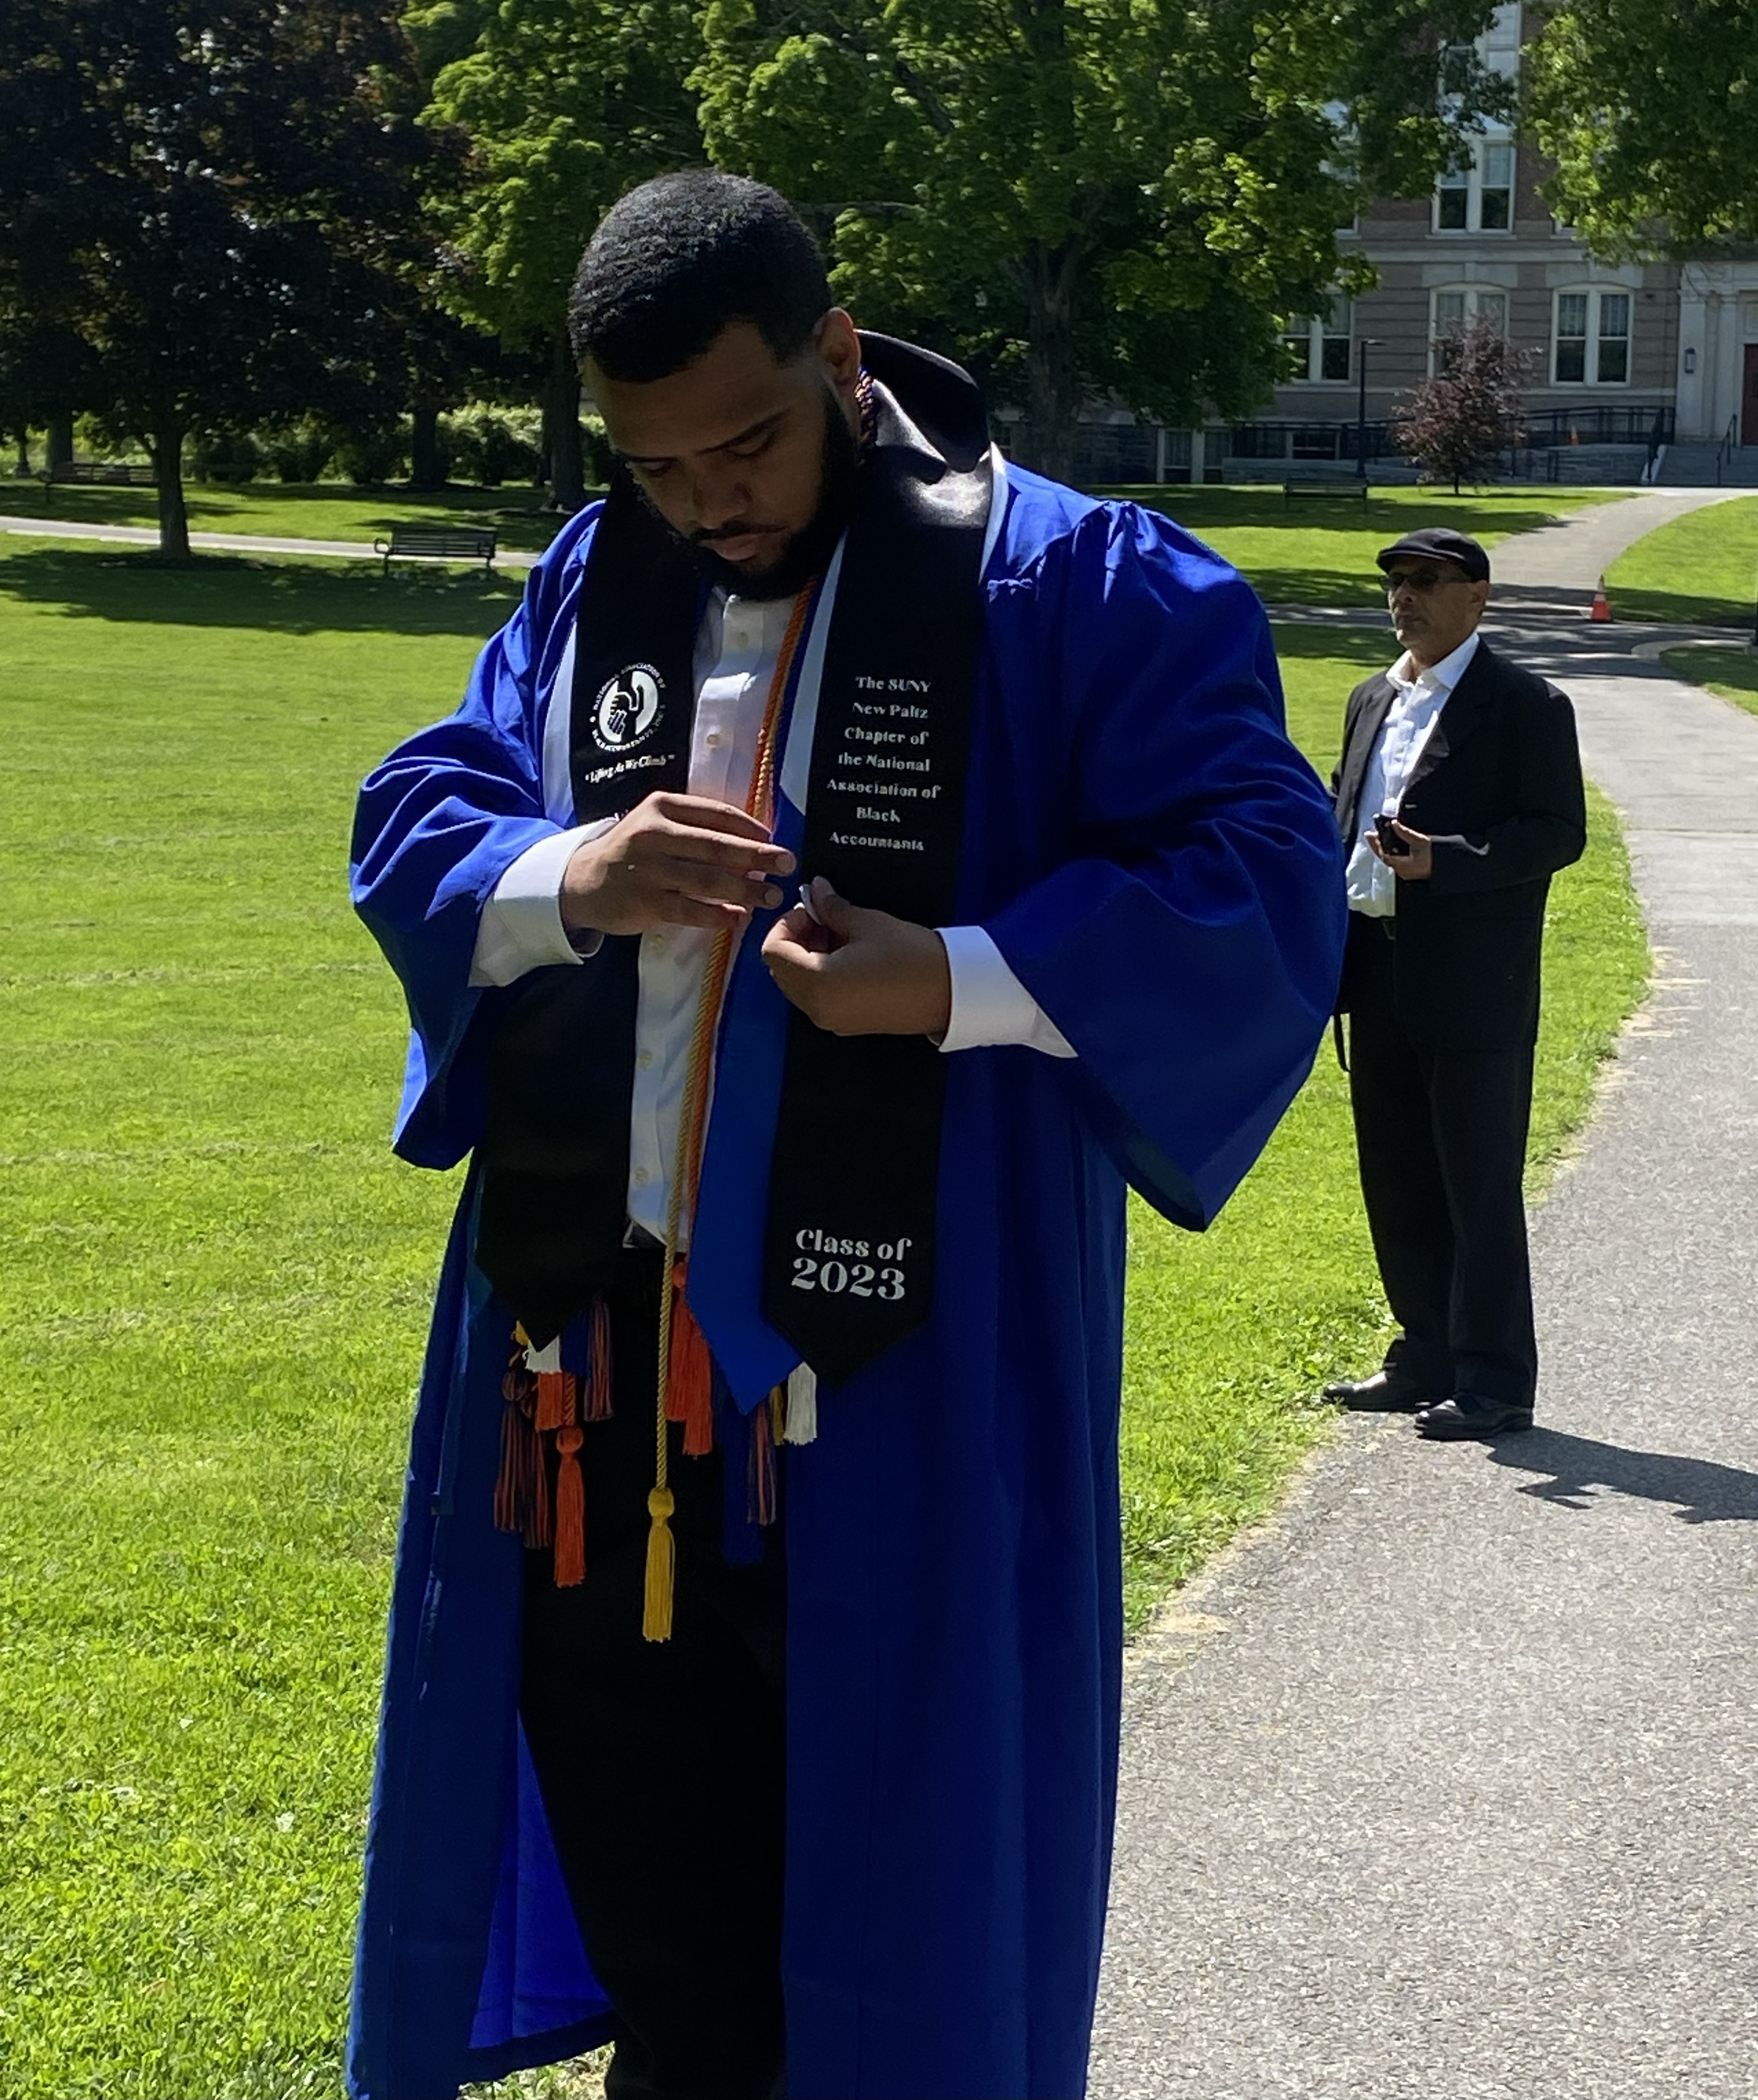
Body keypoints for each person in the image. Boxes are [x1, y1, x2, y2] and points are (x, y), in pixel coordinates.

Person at [346, 170, 1345, 2100]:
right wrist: (574, 868)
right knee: (680, 1957)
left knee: (901, 1956)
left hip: (894, 1394)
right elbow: (423, 809)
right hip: (593, 1395)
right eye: (652, 463)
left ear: (839, 352)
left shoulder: (1073, 591)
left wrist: (959, 972)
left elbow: (1259, 882)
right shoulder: (594, 582)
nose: (707, 501)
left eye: (744, 440)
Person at [1323, 526, 1585, 1441]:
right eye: (1395, 581)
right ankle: (1424, 1353)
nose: (1405, 598)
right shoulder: (1369, 699)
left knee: (1476, 1183)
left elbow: (1557, 833)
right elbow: (1341, 813)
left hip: (1475, 982)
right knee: (1395, 1177)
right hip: (1376, 970)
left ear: (1477, 596)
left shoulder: (1525, 705)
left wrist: (1449, 861)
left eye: (1427, 582)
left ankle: (1495, 1378)